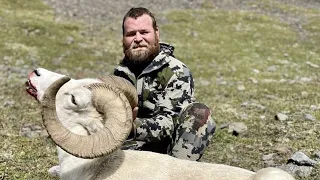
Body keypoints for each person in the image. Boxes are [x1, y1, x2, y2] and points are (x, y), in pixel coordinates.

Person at [114, 7, 216, 161]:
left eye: (144, 32)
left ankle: (180, 175)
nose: (138, 38)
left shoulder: (177, 72)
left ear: (157, 33)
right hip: (130, 148)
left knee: (199, 114)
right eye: (130, 34)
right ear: (123, 39)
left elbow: (170, 123)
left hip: (167, 153)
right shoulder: (119, 74)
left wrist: (133, 127)